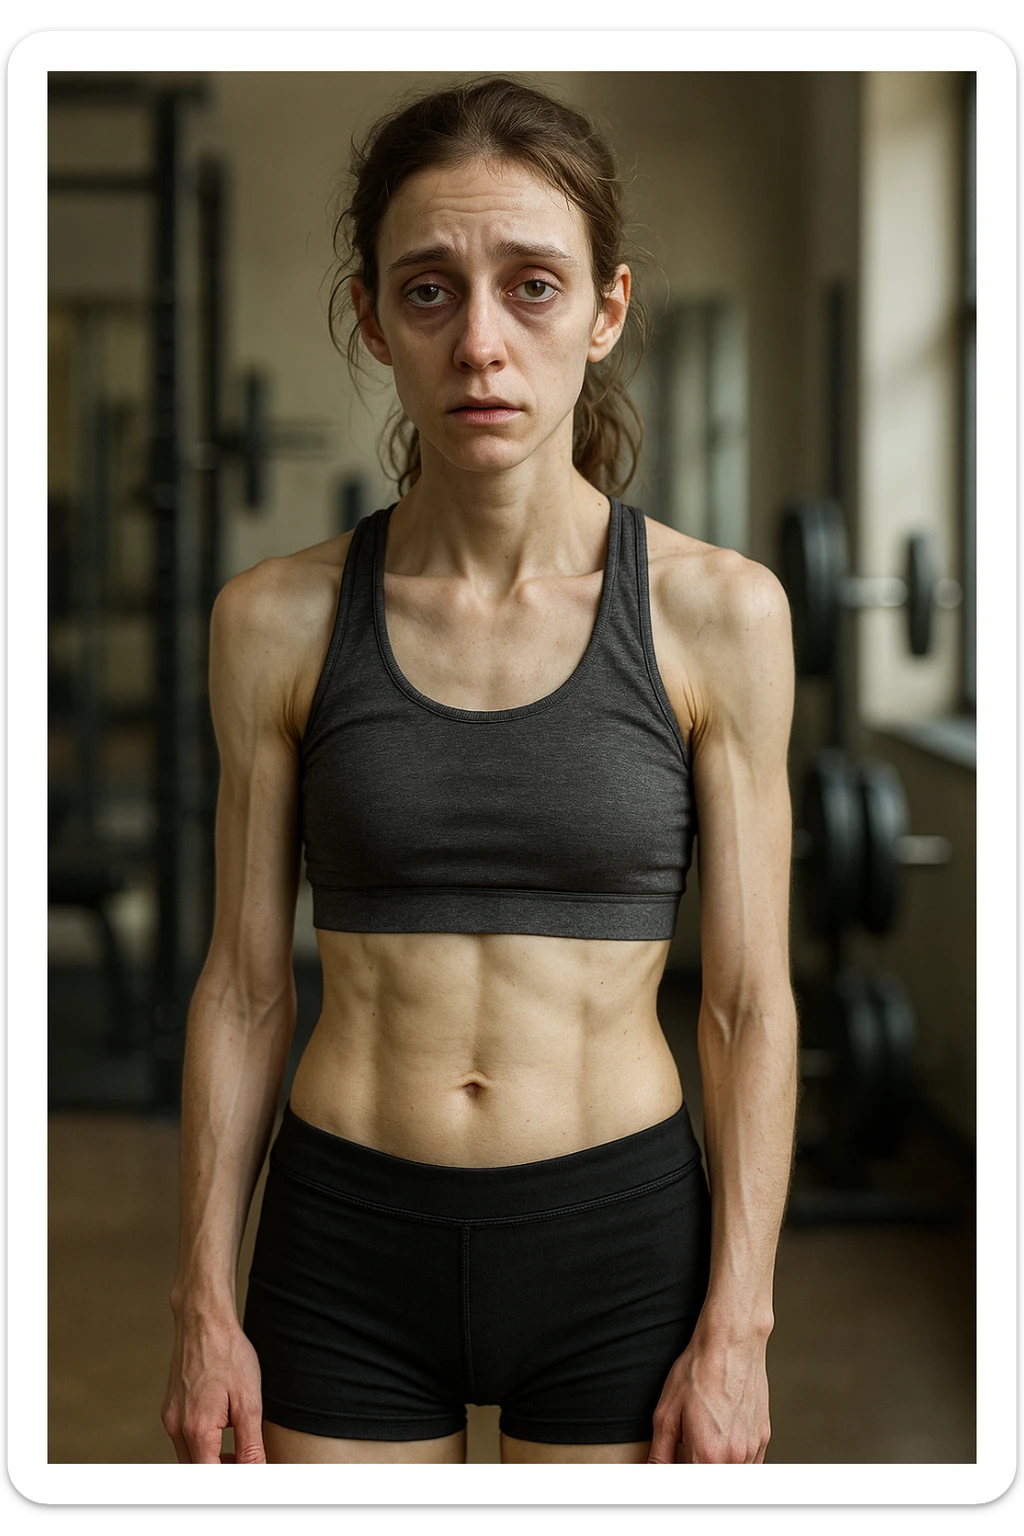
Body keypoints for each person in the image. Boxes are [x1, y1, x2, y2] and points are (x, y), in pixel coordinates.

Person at [161, 76, 798, 1467]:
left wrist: (739, 1324)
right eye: (431, 292)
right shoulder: (274, 619)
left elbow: (748, 1004)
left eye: (533, 286)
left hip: (621, 1243)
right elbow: (245, 986)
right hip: (346, 1241)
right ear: (373, 316)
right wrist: (205, 1299)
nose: (482, 344)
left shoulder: (718, 613)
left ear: (607, 309)